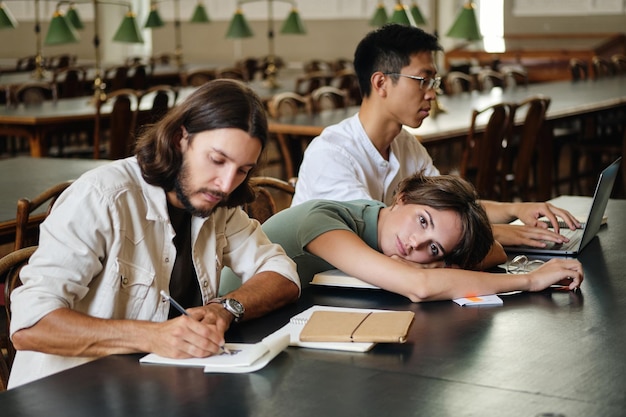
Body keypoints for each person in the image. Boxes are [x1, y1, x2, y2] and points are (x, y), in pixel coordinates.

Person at [8, 80, 300, 389]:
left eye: (242, 170)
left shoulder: (219, 204)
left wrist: (224, 309)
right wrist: (151, 335)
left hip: (157, 390)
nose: (226, 184)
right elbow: (30, 326)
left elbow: (281, 273)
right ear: (179, 139)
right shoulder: (101, 197)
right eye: (217, 160)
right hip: (70, 395)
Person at [291, 23, 581, 249]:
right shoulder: (332, 154)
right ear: (381, 82)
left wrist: (518, 209)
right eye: (423, 81)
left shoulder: (406, 145)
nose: (432, 93)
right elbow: (385, 236)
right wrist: (512, 234)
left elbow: (448, 210)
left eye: (434, 82)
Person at [263, 173, 583, 301]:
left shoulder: (380, 216)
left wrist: (439, 263)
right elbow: (419, 288)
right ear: (403, 196)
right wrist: (530, 281)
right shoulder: (323, 221)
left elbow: (495, 252)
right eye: (422, 220)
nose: (414, 243)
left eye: (432, 246)